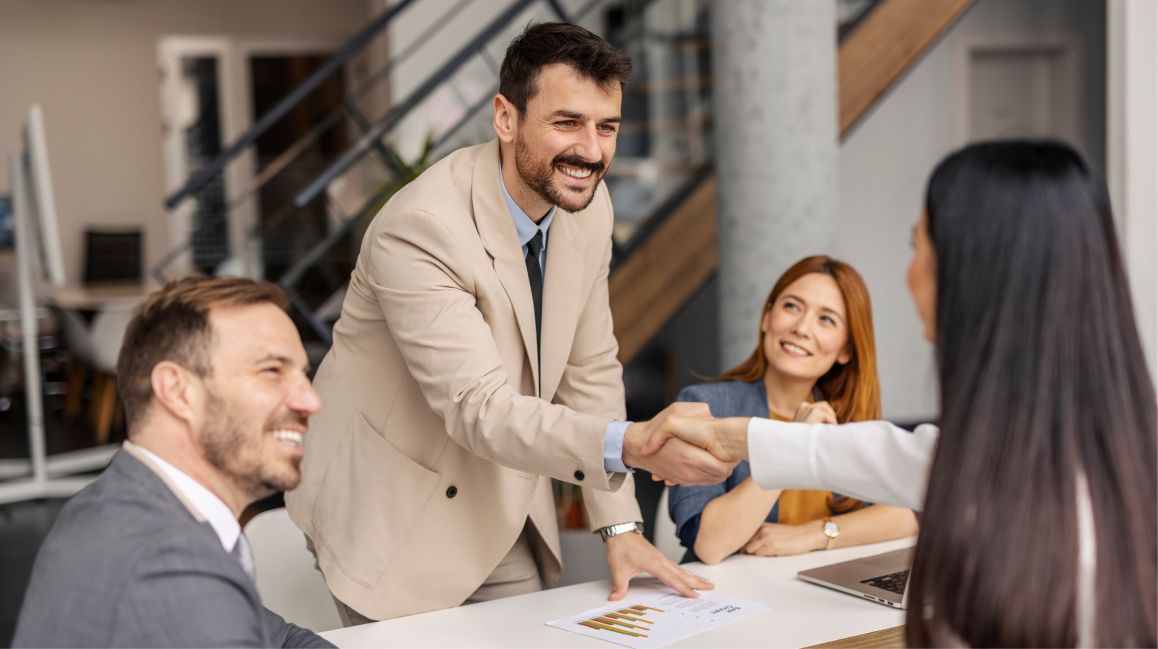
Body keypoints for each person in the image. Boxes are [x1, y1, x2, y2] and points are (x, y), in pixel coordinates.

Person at [285, 21, 734, 625]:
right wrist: (632, 446)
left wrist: (621, 525)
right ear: (506, 119)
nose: (593, 152)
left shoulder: (588, 207)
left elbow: (589, 367)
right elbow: (479, 407)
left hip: (497, 485)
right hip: (389, 504)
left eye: (607, 127)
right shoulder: (420, 228)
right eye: (567, 123)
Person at [644, 140, 1158, 648]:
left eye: (919, 248)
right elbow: (891, 465)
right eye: (792, 308)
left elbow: (894, 489)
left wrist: (807, 525)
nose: (909, 274)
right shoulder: (1062, 453)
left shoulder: (1000, 470)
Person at [12, 278, 333, 649]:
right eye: (272, 371)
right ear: (178, 391)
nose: (310, 399)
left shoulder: (122, 503)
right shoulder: (167, 565)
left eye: (301, 374)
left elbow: (277, 637)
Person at [667, 256, 917, 565]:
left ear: (846, 350)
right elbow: (708, 543)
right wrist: (791, 442)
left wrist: (815, 534)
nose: (801, 328)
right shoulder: (705, 406)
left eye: (826, 319)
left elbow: (905, 516)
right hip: (725, 599)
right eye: (791, 307)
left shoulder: (843, 416)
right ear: (766, 318)